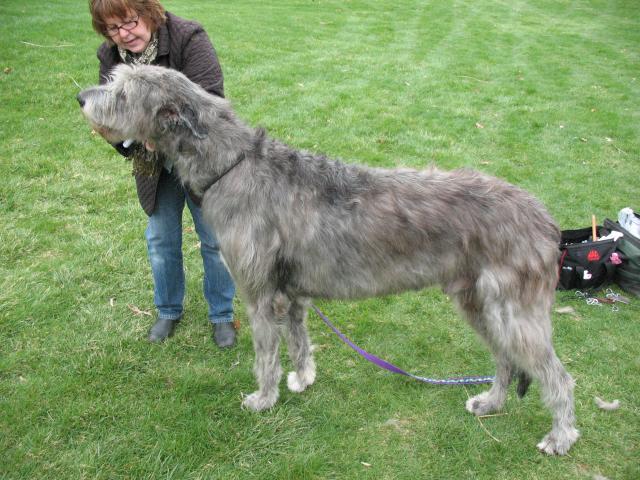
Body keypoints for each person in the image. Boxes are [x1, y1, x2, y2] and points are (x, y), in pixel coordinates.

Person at [89, 0, 237, 347]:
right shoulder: (109, 56)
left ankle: (222, 315)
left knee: (215, 241)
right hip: (152, 163)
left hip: (201, 159)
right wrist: (135, 140)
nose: (123, 35)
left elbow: (208, 102)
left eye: (129, 22)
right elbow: (110, 118)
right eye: (112, 29)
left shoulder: (188, 38)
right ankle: (168, 310)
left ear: (148, 12)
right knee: (160, 239)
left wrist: (155, 131)